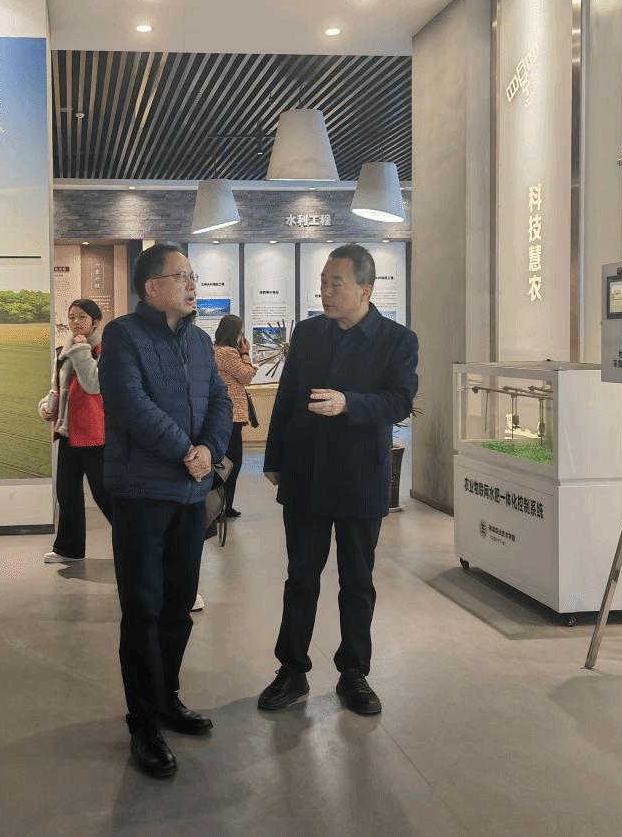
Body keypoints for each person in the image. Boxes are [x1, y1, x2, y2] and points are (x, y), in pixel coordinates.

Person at [257, 244, 418, 718]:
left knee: (357, 581)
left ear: (366, 290)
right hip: (305, 474)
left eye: (336, 284)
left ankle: (354, 673)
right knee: (300, 578)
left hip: (359, 477)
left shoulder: (396, 340)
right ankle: (292, 668)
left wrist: (350, 403)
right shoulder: (308, 334)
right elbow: (287, 397)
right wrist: (274, 457)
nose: (325, 292)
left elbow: (400, 401)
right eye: (323, 283)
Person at [99, 243, 233, 778]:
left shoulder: (200, 341)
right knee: (144, 608)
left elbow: (221, 400)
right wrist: (186, 450)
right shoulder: (124, 335)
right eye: (182, 276)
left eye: (193, 276)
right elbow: (129, 404)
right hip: (142, 495)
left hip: (190, 496)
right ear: (152, 286)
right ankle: (143, 723)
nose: (192, 284)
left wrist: (210, 450)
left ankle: (167, 698)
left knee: (178, 606)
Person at [39, 298, 113, 563]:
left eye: (82, 317)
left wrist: (81, 350)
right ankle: (68, 549)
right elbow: (57, 388)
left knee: (104, 494)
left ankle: (136, 542)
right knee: (66, 493)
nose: (75, 322)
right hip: (68, 431)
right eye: (71, 317)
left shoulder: (105, 350)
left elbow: (93, 384)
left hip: (96, 434)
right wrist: (47, 406)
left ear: (95, 322)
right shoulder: (63, 351)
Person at [212, 314, 258, 520]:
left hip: (223, 414)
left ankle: (223, 506)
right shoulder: (228, 353)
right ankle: (223, 507)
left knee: (226, 460)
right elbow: (246, 375)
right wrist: (245, 354)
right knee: (232, 462)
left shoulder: (216, 350)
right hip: (230, 416)